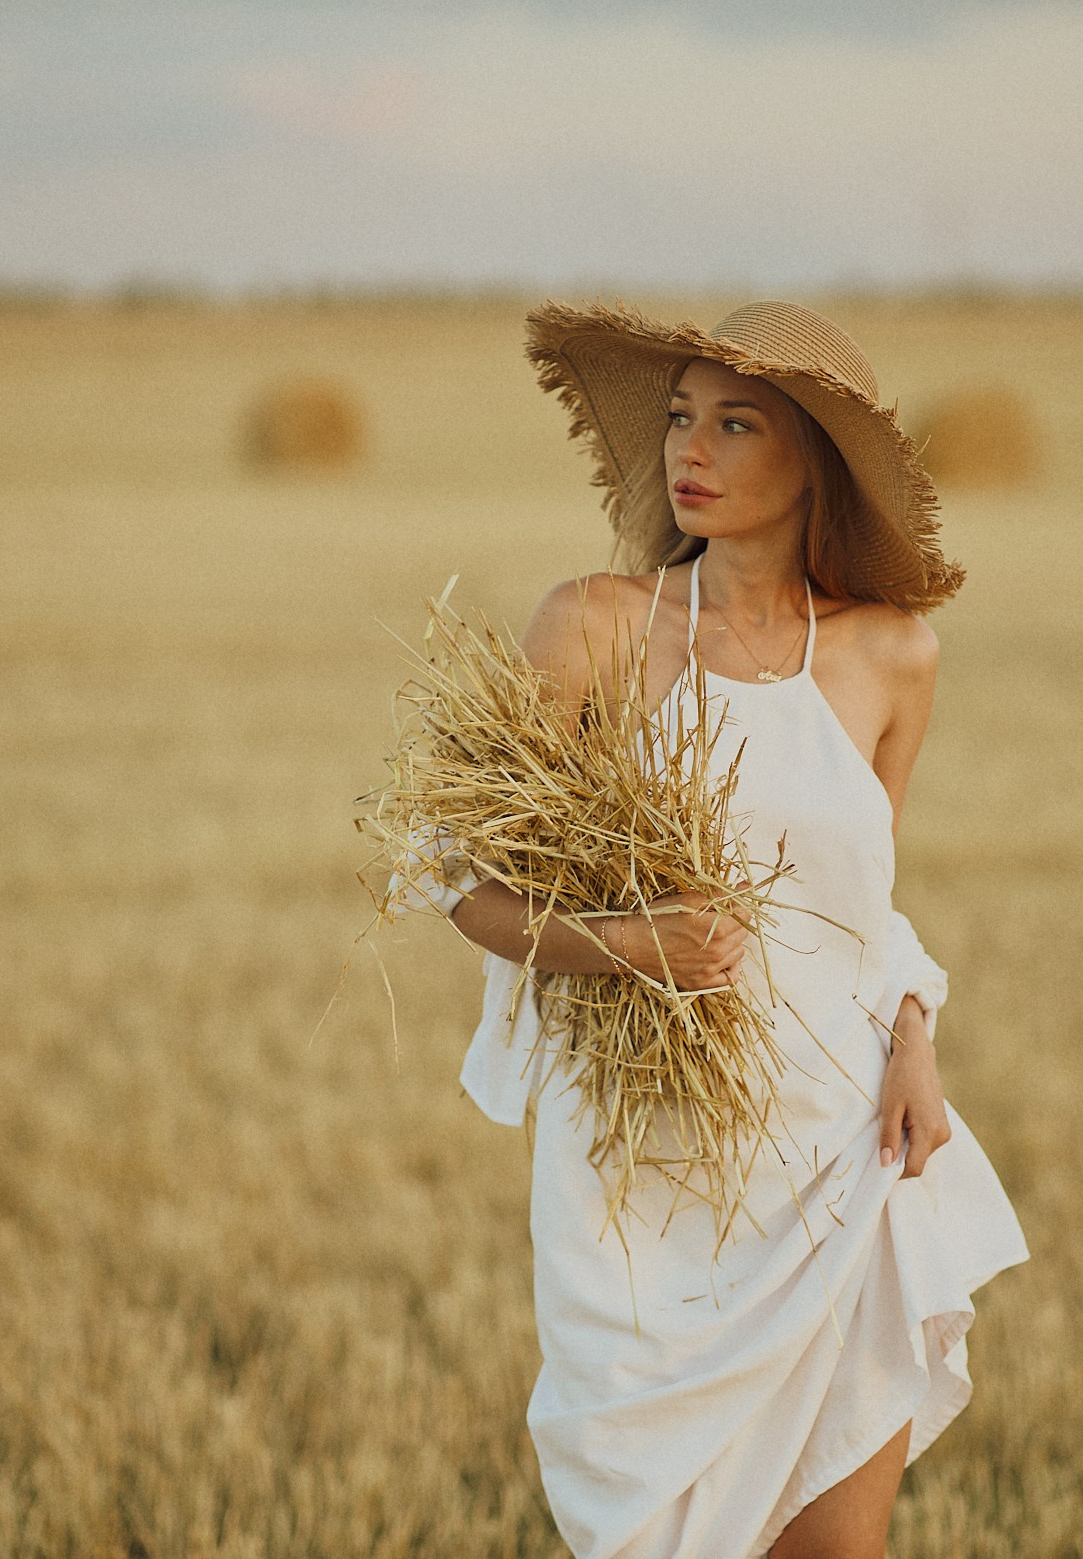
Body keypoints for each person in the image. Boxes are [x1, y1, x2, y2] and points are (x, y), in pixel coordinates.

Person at [434, 300, 1028, 1559]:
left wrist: (912, 1033)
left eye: (735, 423)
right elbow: (454, 879)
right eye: (677, 417)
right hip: (643, 1172)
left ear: (815, 460)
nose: (688, 449)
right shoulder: (594, 624)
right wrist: (626, 944)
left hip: (836, 1148)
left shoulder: (894, 655)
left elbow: (863, 906)